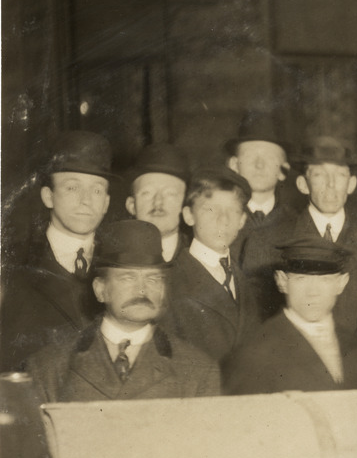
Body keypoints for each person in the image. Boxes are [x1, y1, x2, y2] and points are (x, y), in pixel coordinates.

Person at [25, 220, 220, 403]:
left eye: (153, 279)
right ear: (100, 290)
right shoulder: (49, 368)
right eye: (128, 278)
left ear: (162, 290)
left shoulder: (198, 370)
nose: (142, 290)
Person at [0, 132, 113, 371]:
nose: (86, 200)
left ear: (106, 202)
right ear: (48, 196)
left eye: (96, 190)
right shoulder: (11, 265)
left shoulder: (120, 262)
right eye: (72, 187)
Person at [244, 137, 357, 333]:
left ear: (351, 184)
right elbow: (255, 315)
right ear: (303, 184)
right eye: (319, 174)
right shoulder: (268, 239)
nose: (331, 184)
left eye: (340, 175)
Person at [224, 238, 357, 394]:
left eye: (325, 280)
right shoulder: (254, 353)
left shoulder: (354, 344)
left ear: (341, 283)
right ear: (282, 281)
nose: (313, 292)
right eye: (301, 279)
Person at [164, 170, 258, 365]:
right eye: (210, 209)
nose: (223, 219)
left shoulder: (245, 280)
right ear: (189, 216)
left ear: (242, 220)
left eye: (233, 211)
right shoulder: (170, 283)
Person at [226, 112, 291, 246]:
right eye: (250, 156)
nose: (259, 165)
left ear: (283, 170)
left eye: (270, 157)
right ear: (234, 165)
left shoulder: (296, 224)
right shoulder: (221, 220)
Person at [124, 142, 192, 264]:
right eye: (147, 193)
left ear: (184, 205)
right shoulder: (112, 256)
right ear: (131, 205)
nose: (158, 202)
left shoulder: (199, 257)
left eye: (170, 194)